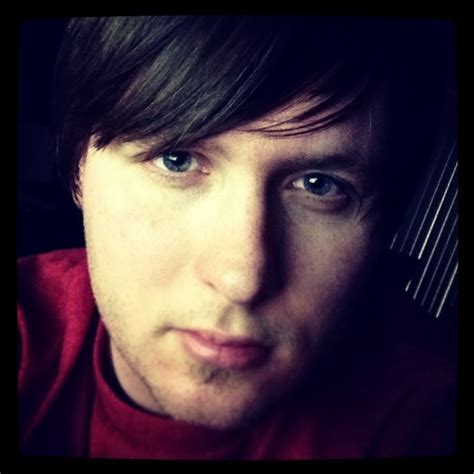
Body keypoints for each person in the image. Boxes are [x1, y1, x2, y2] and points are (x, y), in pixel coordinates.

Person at [18, 16, 456, 459]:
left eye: (319, 185)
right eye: (176, 160)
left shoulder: (424, 418)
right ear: (77, 169)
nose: (242, 280)